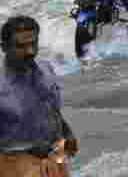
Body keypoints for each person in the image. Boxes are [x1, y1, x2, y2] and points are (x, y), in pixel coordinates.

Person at [0, 16, 79, 176]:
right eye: (20, 46)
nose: (30, 51)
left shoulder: (46, 70)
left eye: (33, 44)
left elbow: (50, 108)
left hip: (53, 161)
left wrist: (67, 132)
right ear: (4, 47)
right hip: (14, 167)